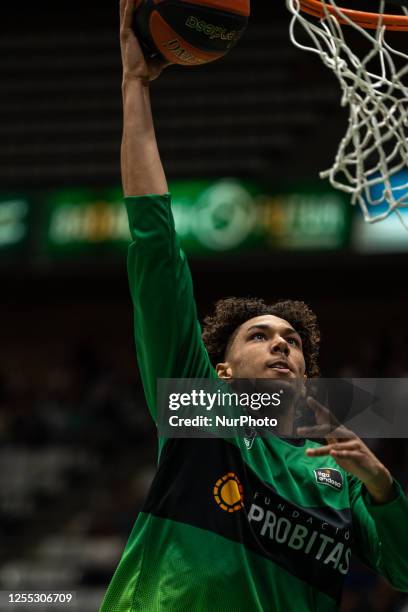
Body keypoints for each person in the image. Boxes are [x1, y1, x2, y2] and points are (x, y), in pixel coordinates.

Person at [100, 2, 408, 610]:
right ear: (220, 371)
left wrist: (380, 485)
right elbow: (157, 248)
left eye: (291, 340)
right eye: (260, 335)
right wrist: (134, 85)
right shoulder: (197, 410)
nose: (281, 344)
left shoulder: (338, 477)